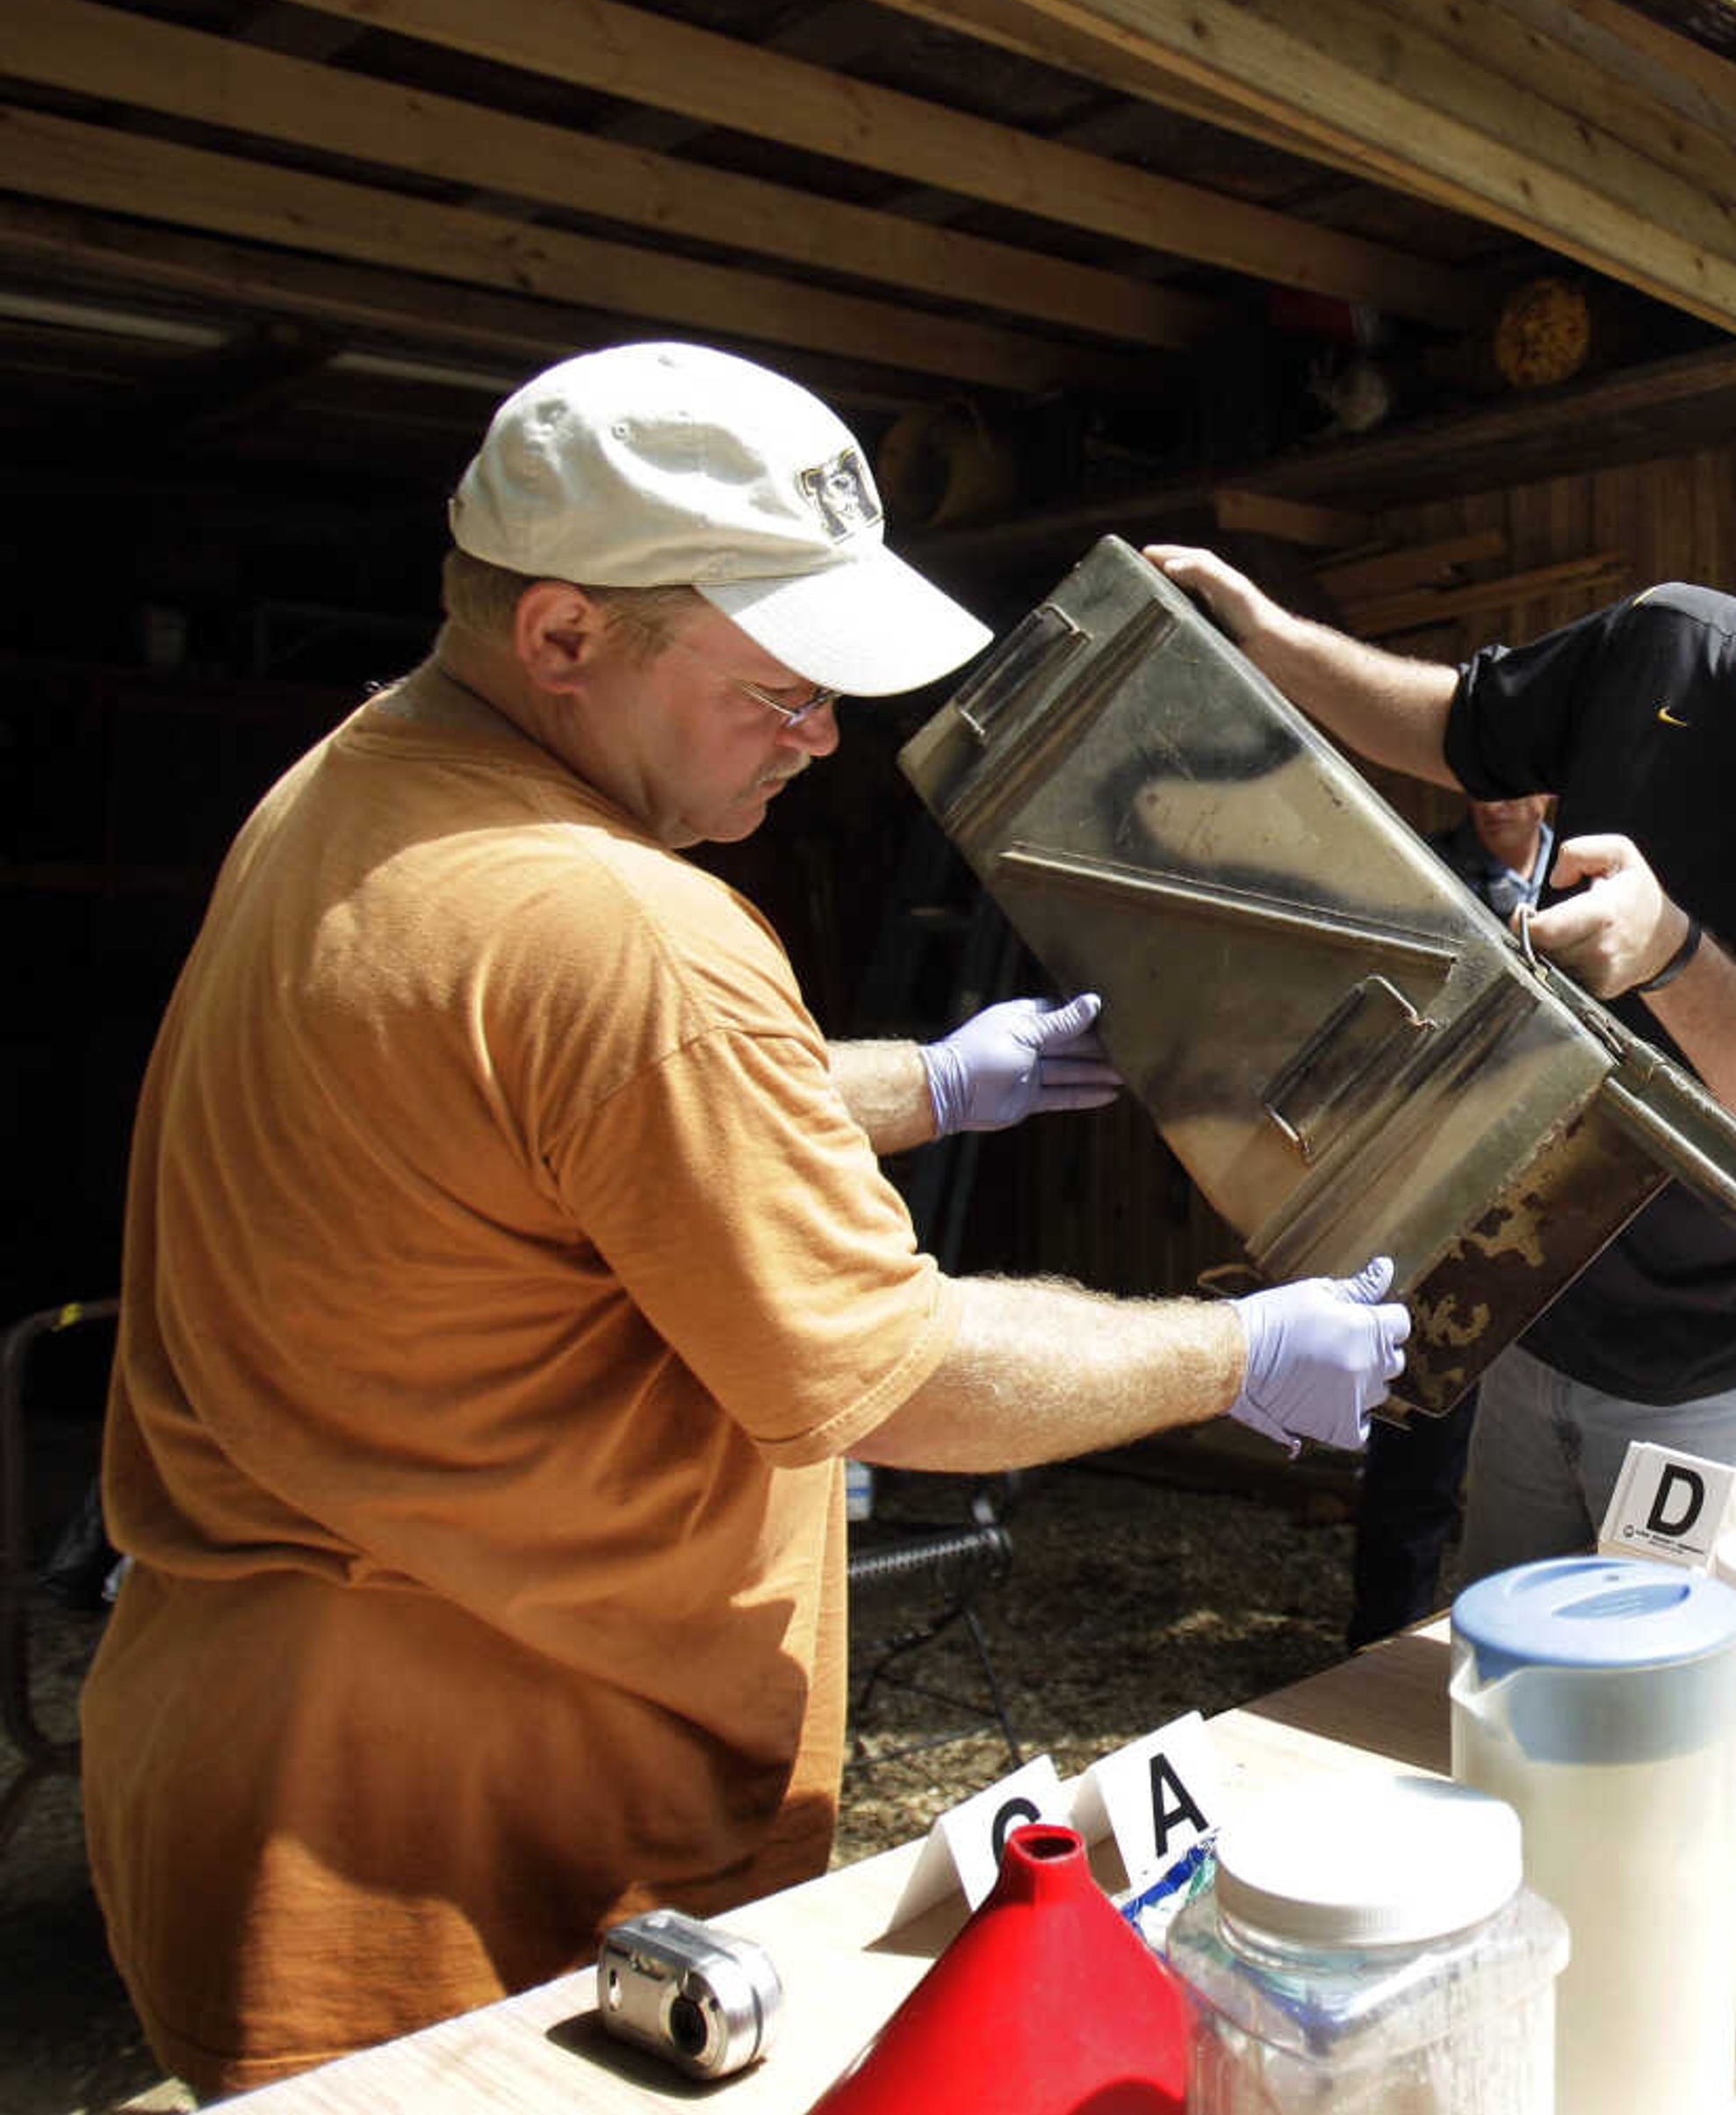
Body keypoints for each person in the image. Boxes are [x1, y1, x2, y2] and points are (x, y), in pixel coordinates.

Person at [81, 342, 1409, 2095]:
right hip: (458, 1831)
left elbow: (566, 1121)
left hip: (251, 1746)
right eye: (780, 683)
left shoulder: (355, 792)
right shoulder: (627, 925)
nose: (822, 734)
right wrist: (1234, 1345)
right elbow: (888, 1374)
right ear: (563, 635)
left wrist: (936, 1082)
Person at [1151, 429, 1736, 1590]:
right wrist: (1269, 638)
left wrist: (1670, 952)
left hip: (1732, 1367)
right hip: (1534, 1305)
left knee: (1714, 1721)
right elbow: (1462, 726)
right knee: (1524, 1683)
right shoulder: (1657, 642)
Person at [1344, 793, 1557, 1642]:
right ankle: (1376, 1646)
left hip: (1566, 1182)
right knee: (1420, 1436)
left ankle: (1546, 1649)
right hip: (1447, 1179)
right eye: (1486, 779)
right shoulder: (1419, 870)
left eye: (1522, 779)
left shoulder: (1598, 870)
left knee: (1553, 1438)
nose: (1502, 798)